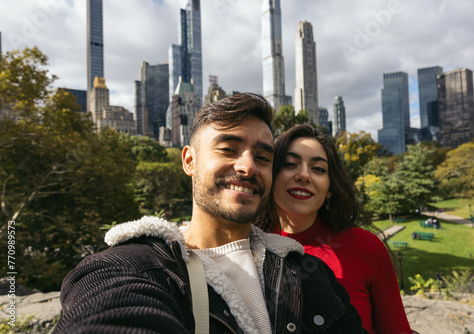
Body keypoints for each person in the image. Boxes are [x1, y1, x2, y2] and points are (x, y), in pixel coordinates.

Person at [53, 94, 365, 333]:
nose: (247, 167)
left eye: (262, 157)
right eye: (228, 149)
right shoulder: (127, 268)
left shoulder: (307, 271)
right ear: (189, 160)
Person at [256, 124, 412, 334]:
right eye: (290, 164)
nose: (304, 175)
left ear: (330, 189)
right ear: (271, 176)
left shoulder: (365, 247)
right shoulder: (250, 246)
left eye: (318, 169)